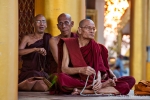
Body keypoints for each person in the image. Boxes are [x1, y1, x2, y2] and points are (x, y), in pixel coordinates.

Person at [56, 19, 135, 95]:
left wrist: (99, 81)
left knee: (129, 81)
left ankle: (85, 91)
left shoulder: (95, 46)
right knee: (61, 78)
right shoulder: (69, 44)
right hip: (76, 80)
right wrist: (81, 70)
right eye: (88, 28)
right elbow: (64, 69)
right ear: (79, 30)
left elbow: (99, 68)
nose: (92, 31)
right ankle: (97, 88)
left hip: (94, 80)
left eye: (94, 29)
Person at [19, 14, 51, 83]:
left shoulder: (49, 38)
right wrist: (35, 49)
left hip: (43, 71)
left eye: (43, 21)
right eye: (38, 21)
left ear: (46, 25)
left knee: (42, 77)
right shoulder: (27, 38)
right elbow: (19, 52)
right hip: (29, 71)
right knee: (34, 75)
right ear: (33, 24)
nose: (41, 24)